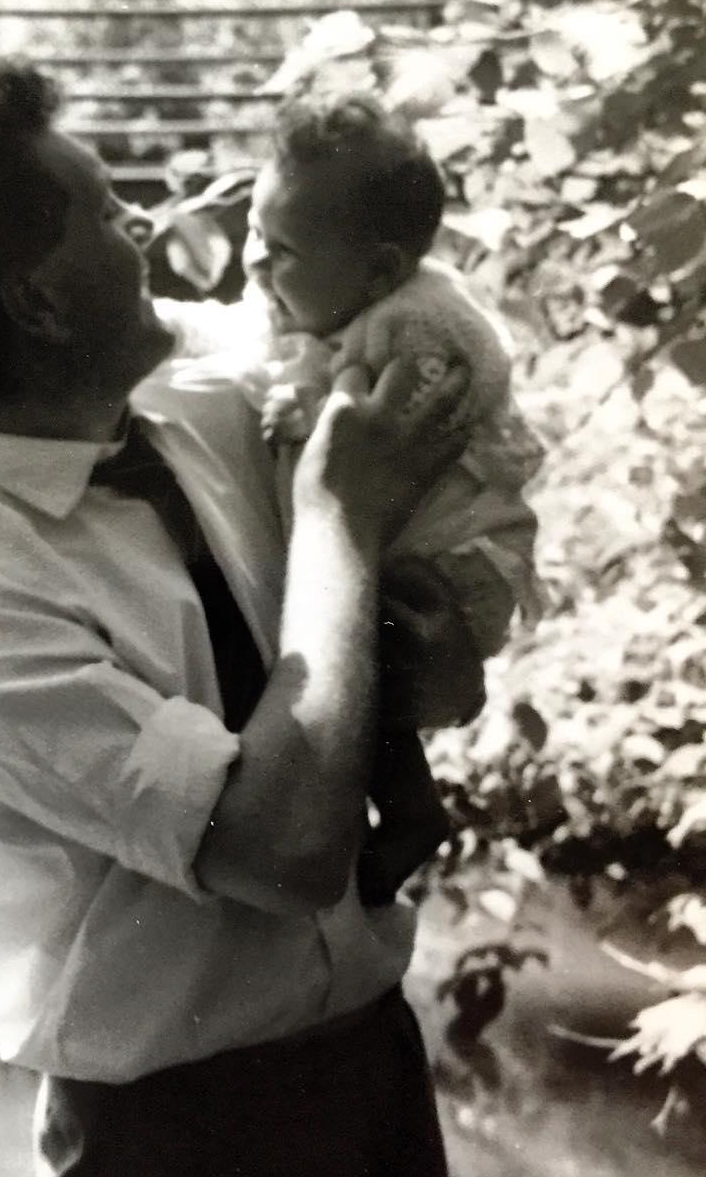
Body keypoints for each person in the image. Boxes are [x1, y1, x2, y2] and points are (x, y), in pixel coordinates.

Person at [0, 58, 481, 1177]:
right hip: (176, 1161)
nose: (151, 226)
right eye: (110, 211)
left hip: (374, 1075)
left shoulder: (218, 389)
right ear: (41, 301)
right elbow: (282, 851)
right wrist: (337, 525)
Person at [160, 84, 542, 905]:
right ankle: (413, 807)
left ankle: (411, 810)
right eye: (255, 234)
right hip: (409, 545)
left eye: (284, 249)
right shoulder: (344, 303)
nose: (256, 261)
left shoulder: (419, 328)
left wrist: (307, 405)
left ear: (381, 269)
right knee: (348, 648)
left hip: (454, 557)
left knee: (346, 642)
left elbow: (379, 439)